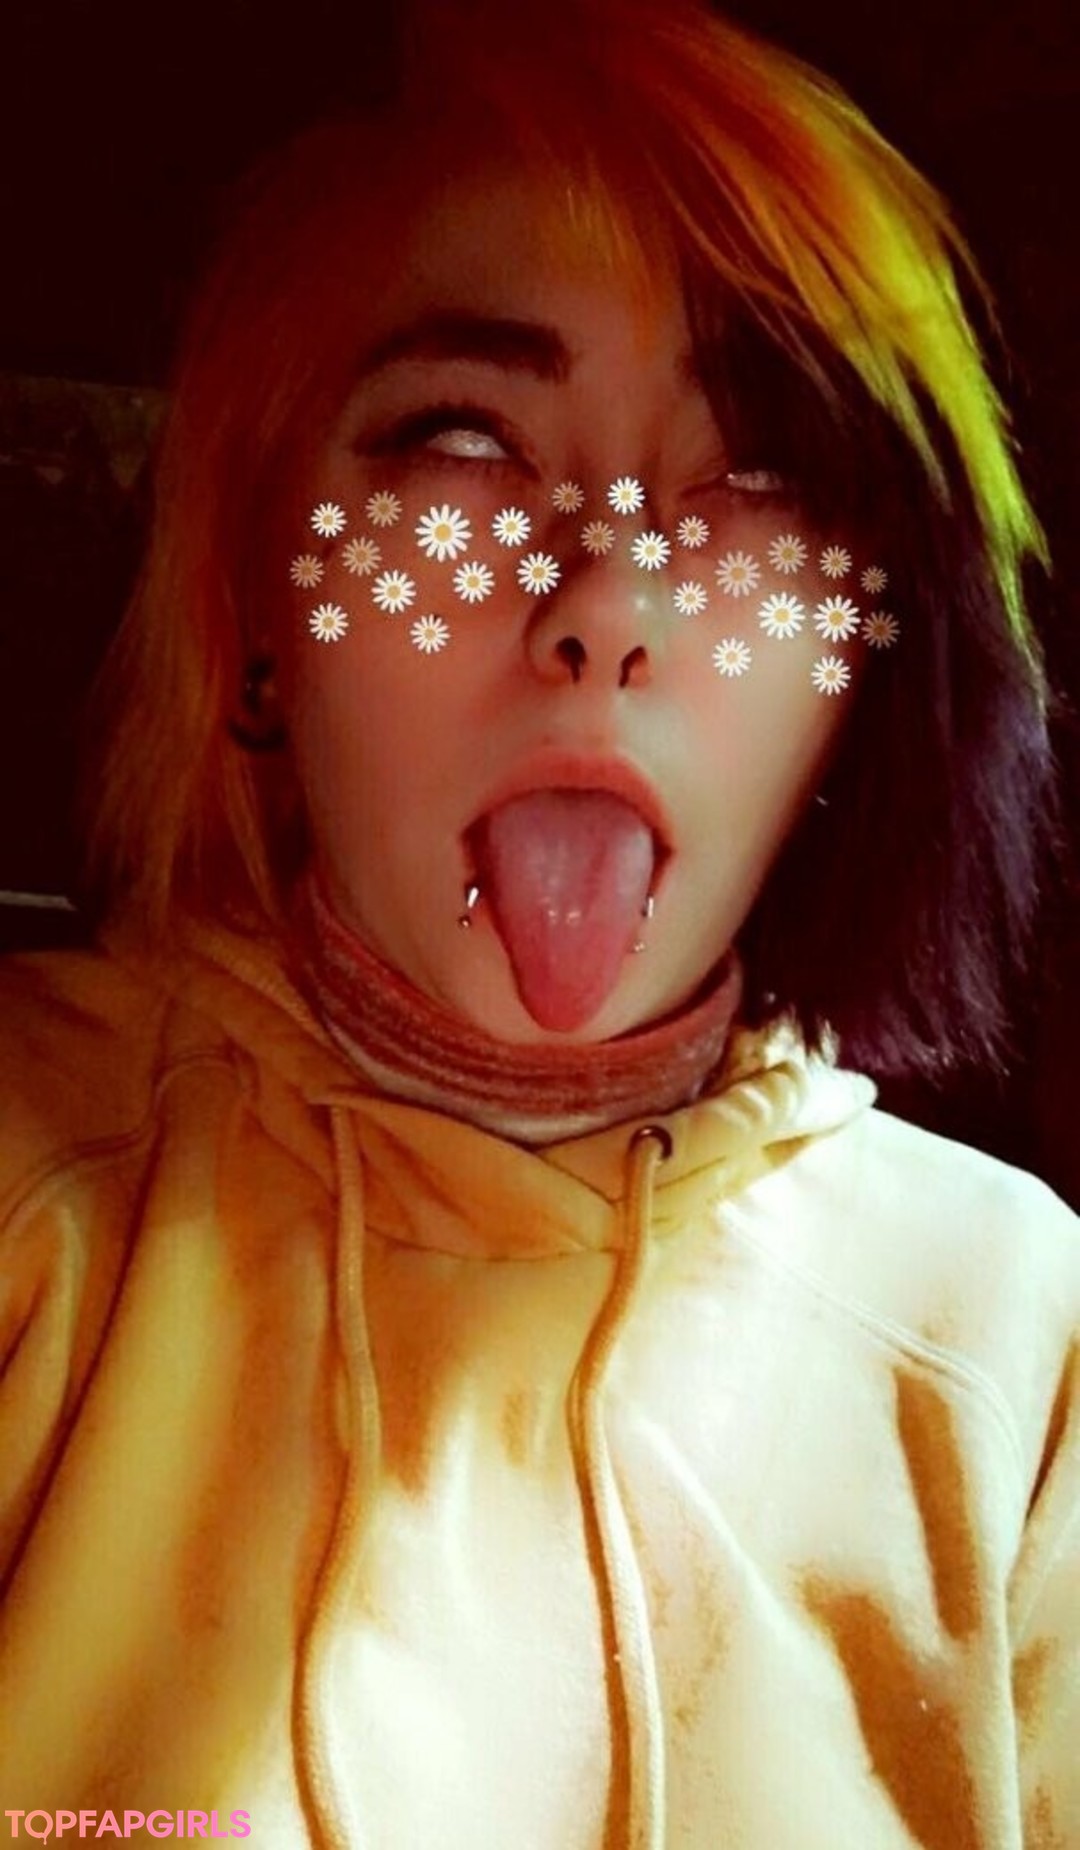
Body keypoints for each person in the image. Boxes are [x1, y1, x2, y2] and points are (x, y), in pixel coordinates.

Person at [1, 0, 1077, 1843]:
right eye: (465, 444)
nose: (607, 601)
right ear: (256, 607)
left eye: (759, 478)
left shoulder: (1020, 1337)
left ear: (863, 669)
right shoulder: (31, 1178)